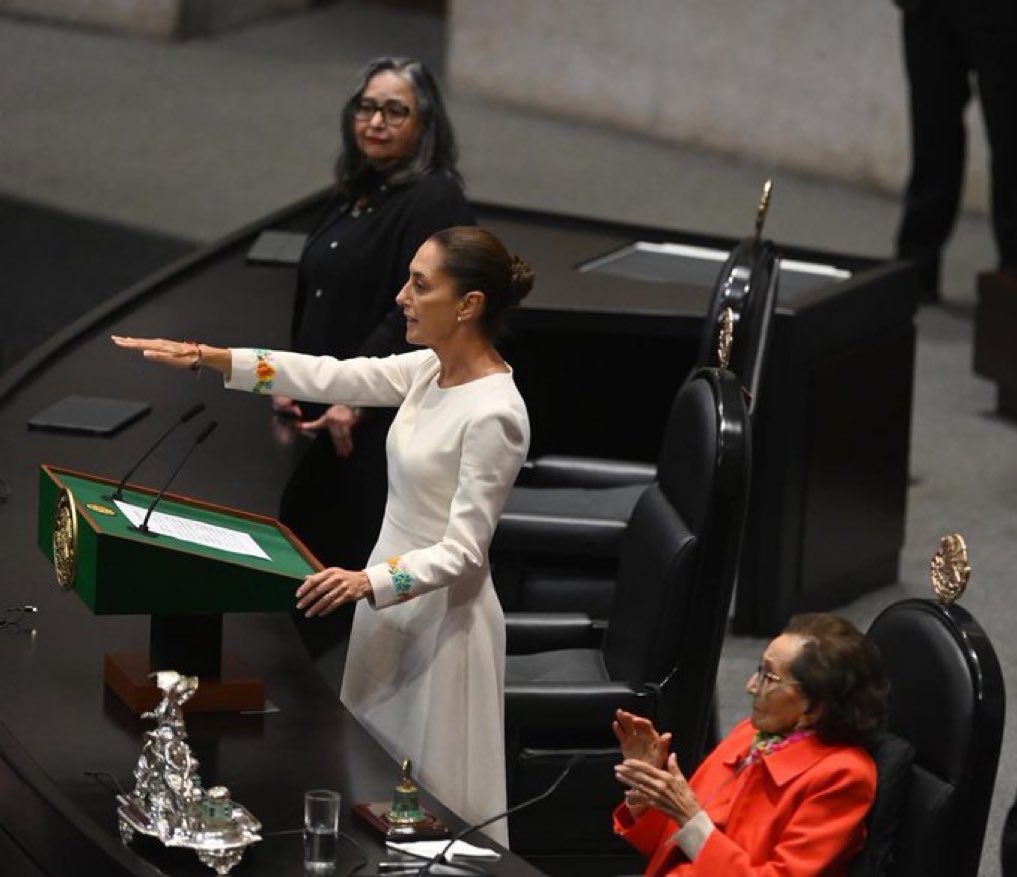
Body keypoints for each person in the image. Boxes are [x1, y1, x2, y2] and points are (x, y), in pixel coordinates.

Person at [112, 226, 534, 846]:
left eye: (420, 285)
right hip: (386, 608)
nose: (401, 297)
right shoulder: (427, 368)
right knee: (367, 776)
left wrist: (368, 581)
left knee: (428, 811)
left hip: (442, 627)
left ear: (469, 304)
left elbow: (465, 551)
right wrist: (211, 357)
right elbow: (329, 375)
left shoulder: (496, 411)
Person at [277, 55, 474, 574]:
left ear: (425, 122)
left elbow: (420, 316)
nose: (376, 122)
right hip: (325, 407)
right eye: (366, 108)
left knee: (343, 568)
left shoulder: (435, 199)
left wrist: (353, 396)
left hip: (375, 425)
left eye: (394, 110)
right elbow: (319, 288)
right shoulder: (361, 187)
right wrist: (291, 373)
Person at [612, 613, 889, 876]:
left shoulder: (841, 777)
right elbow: (666, 848)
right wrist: (647, 785)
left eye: (769, 677)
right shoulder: (750, 735)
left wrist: (691, 818)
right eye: (760, 670)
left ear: (813, 707)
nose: (751, 686)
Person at [891, 0, 1017, 301]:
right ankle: (916, 266)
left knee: (1010, 141)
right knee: (931, 135)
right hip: (928, 9)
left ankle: (1011, 275)